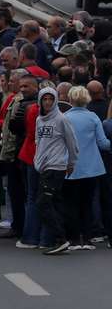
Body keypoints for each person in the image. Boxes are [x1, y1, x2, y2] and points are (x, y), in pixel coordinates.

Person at [60, 85, 108, 250]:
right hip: (92, 167)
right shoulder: (93, 117)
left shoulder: (64, 117)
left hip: (70, 166)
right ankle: (87, 238)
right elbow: (102, 143)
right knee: (87, 202)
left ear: (70, 99)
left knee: (70, 203)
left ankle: (73, 238)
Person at [34, 86, 79, 255]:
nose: (47, 102)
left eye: (50, 99)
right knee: (56, 204)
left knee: (42, 203)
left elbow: (72, 142)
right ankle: (66, 237)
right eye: (44, 99)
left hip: (56, 166)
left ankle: (61, 238)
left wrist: (71, 162)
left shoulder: (62, 119)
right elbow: (39, 142)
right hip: (43, 167)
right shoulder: (39, 120)